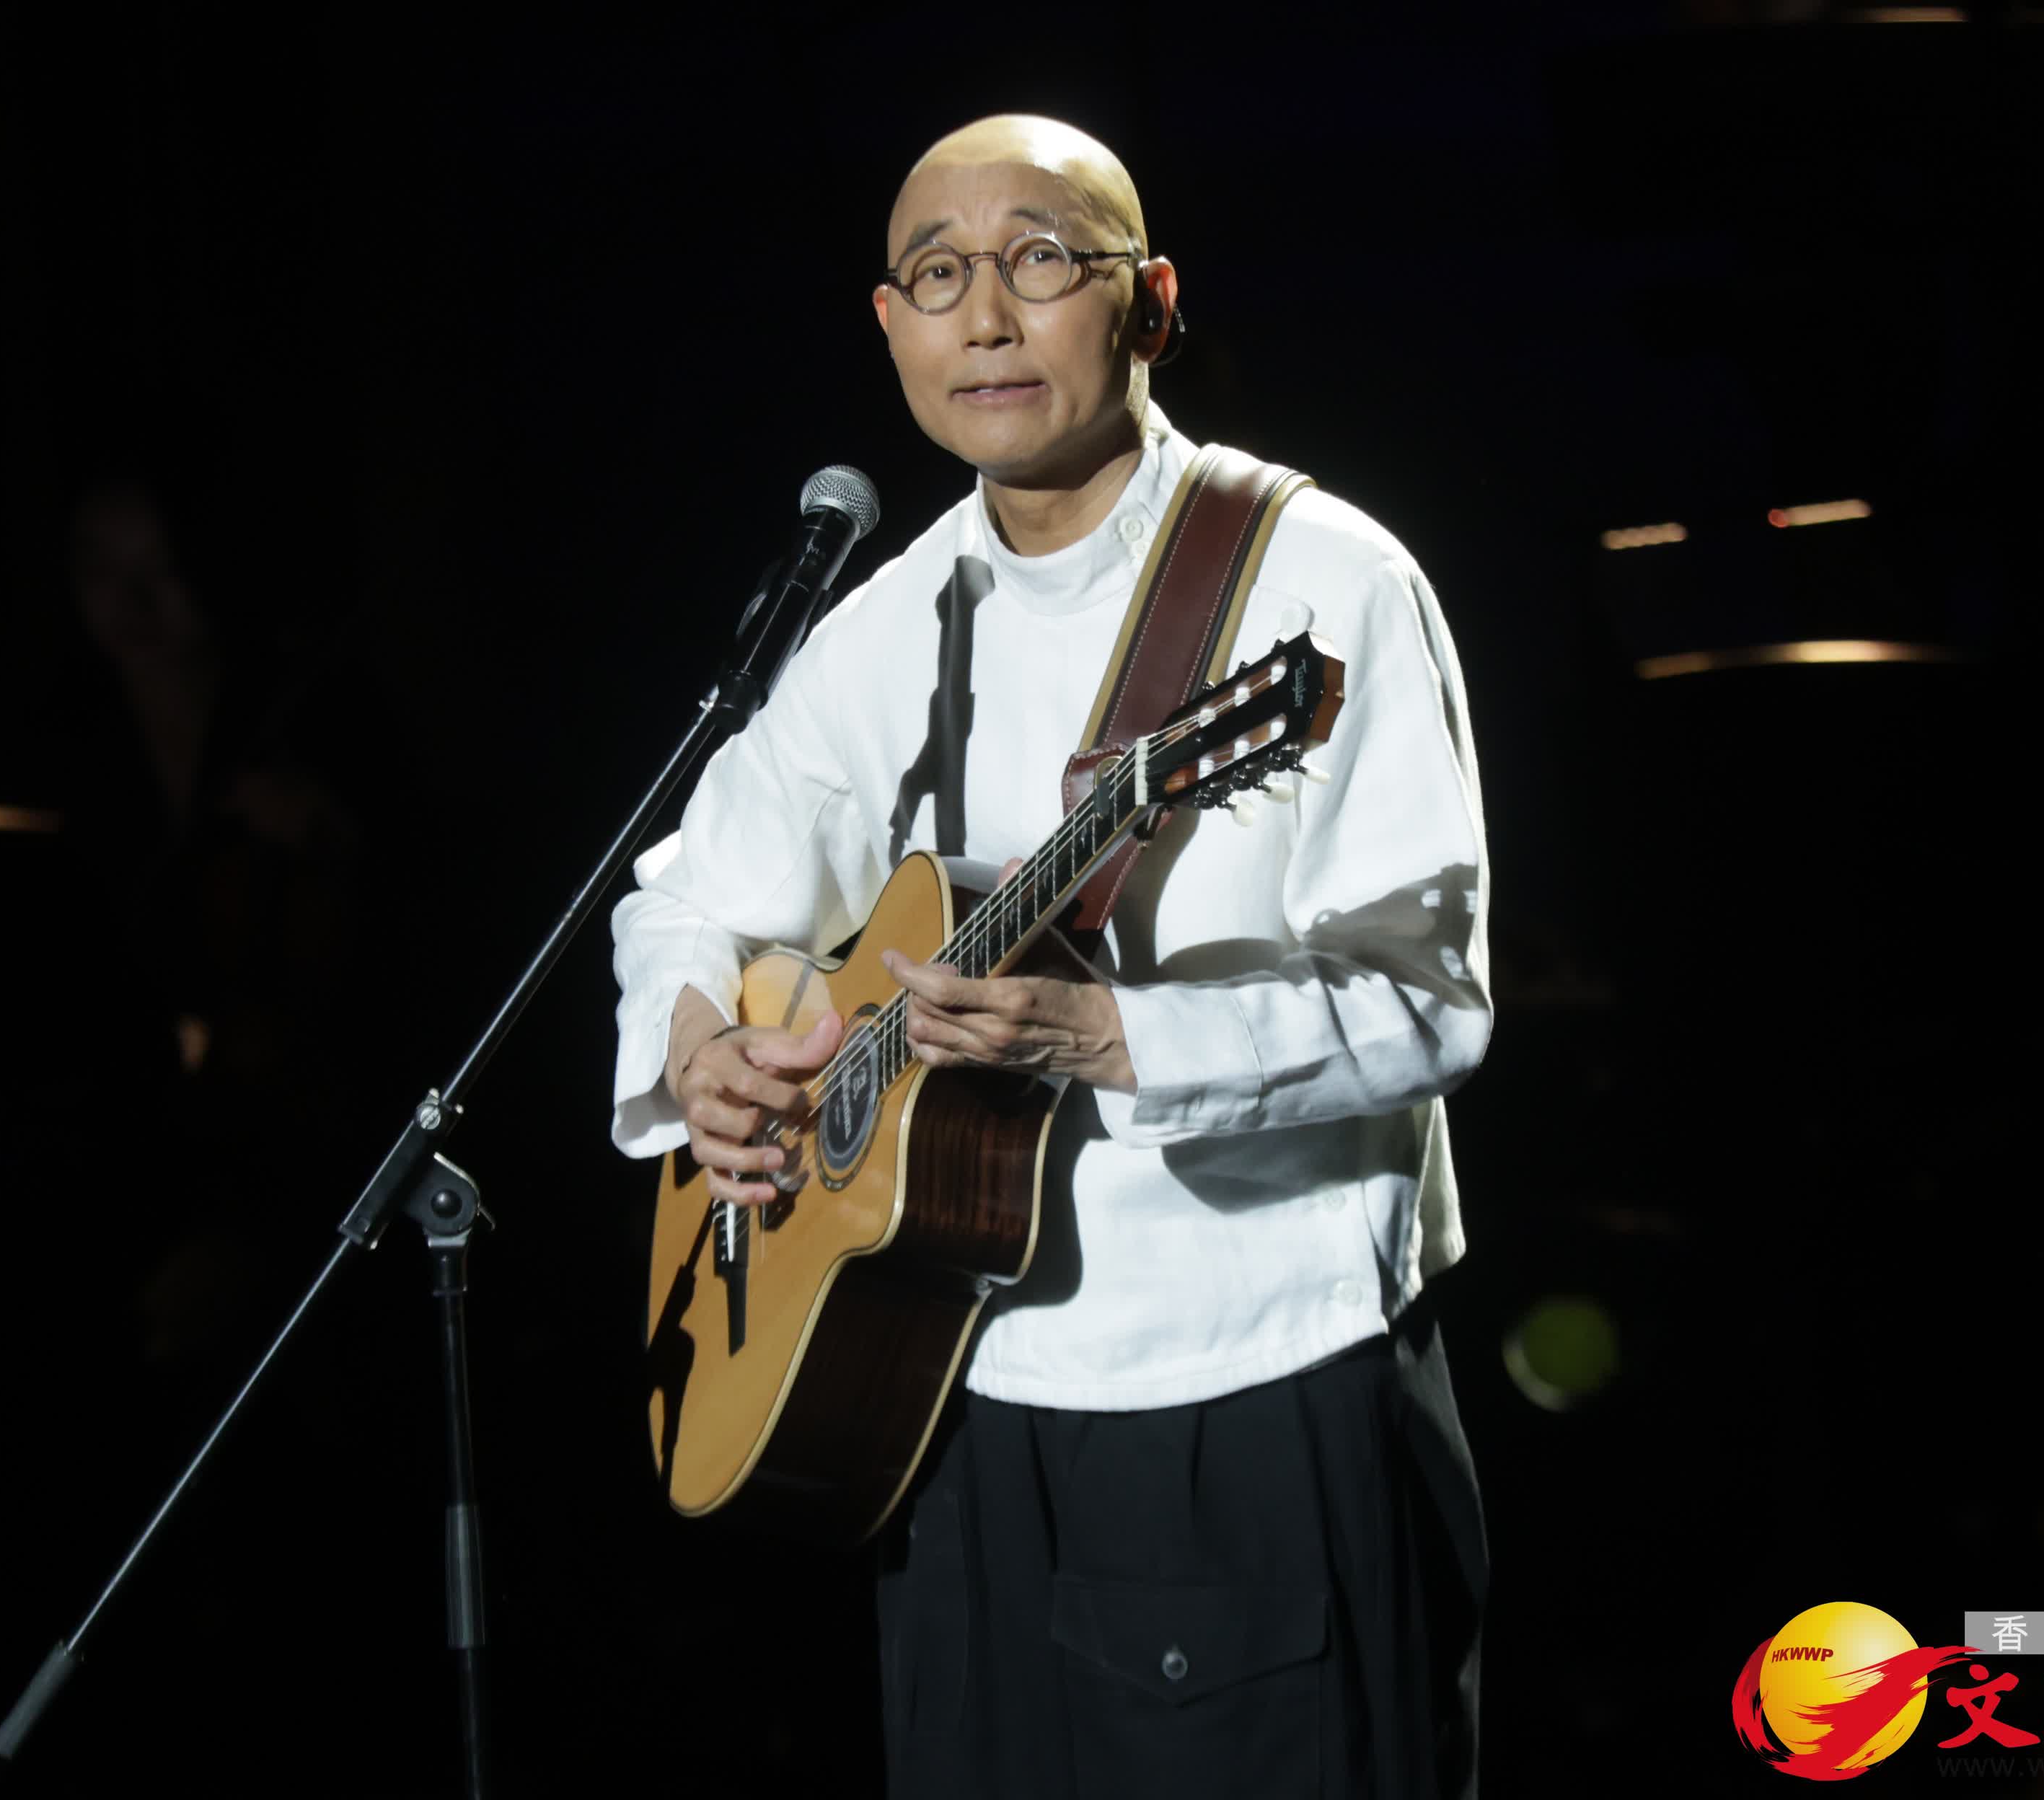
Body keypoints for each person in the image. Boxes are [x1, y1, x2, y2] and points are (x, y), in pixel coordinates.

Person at [607, 115, 1492, 1799]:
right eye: (939, 276)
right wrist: (702, 1046)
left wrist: (1108, 1039)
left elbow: (1428, 1000)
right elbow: (681, 898)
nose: (989, 317)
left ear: (1149, 302)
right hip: (943, 1396)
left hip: (1246, 1377)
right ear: (891, 328)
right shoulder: (879, 621)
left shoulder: (1321, 580)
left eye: (1039, 260)